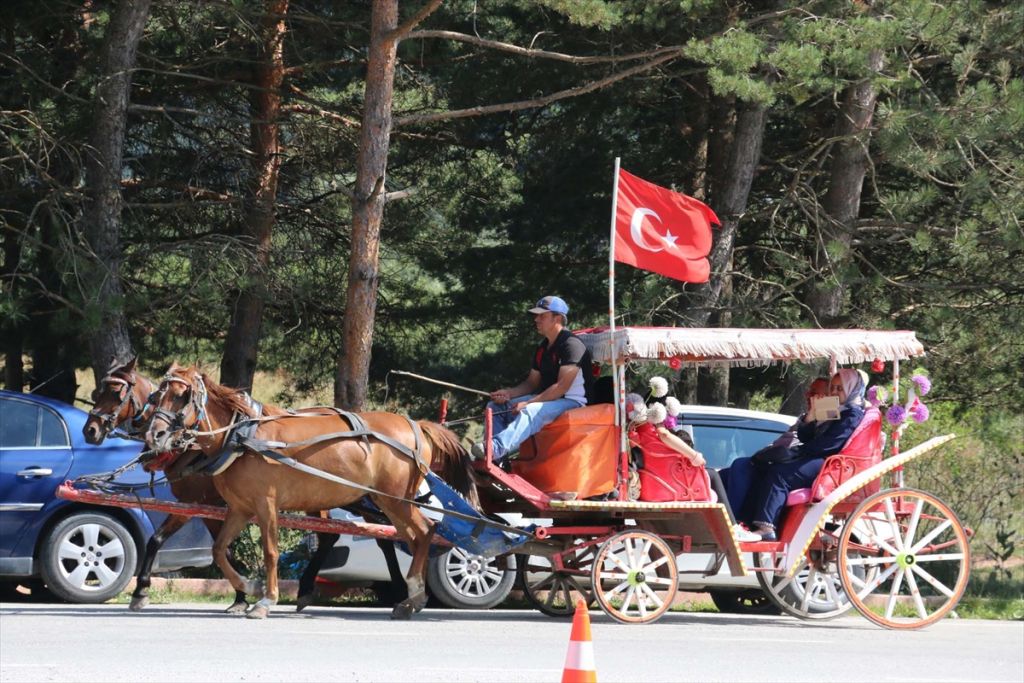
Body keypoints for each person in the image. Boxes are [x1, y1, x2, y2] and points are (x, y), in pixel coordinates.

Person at [743, 369, 866, 540]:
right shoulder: (833, 407)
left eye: (840, 389)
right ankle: (750, 521)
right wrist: (811, 416)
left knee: (780, 474)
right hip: (814, 455)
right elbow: (805, 436)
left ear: (852, 389)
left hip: (828, 462)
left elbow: (830, 444)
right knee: (766, 467)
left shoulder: (852, 413)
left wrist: (798, 451)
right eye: (833, 388)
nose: (834, 392)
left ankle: (766, 527)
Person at [472, 295, 593, 462]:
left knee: (531, 410)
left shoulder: (572, 345)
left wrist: (528, 403)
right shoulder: (543, 347)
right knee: (495, 407)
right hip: (549, 400)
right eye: (536, 315)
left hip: (573, 402)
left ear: (557, 318)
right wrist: (508, 394)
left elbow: (560, 388)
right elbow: (531, 383)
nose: (536, 319)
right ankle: (497, 462)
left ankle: (494, 449)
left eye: (542, 315)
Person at [722, 377, 829, 522]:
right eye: (809, 392)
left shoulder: (829, 419)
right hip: (780, 458)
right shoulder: (807, 418)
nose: (808, 396)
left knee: (741, 465)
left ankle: (733, 522)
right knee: (722, 475)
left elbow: (806, 443)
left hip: (797, 464)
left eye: (814, 393)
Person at [658, 426, 761, 543]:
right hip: (670, 478)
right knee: (712, 474)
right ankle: (733, 526)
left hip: (662, 476)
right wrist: (694, 456)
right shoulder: (656, 427)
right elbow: (664, 435)